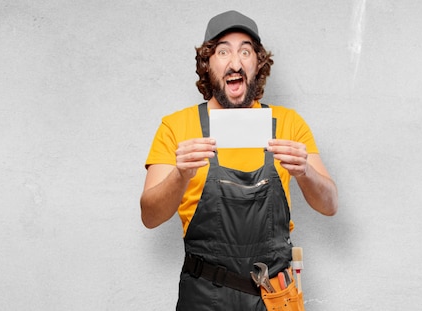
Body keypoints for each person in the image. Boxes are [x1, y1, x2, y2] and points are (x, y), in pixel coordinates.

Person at [140, 10, 338, 310]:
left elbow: (330, 205)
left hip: (274, 297)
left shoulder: (287, 123)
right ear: (207, 64)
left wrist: (305, 171)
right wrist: (180, 175)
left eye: (246, 51)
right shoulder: (177, 127)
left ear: (258, 63)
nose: (236, 62)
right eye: (223, 51)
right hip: (204, 296)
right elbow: (150, 216)